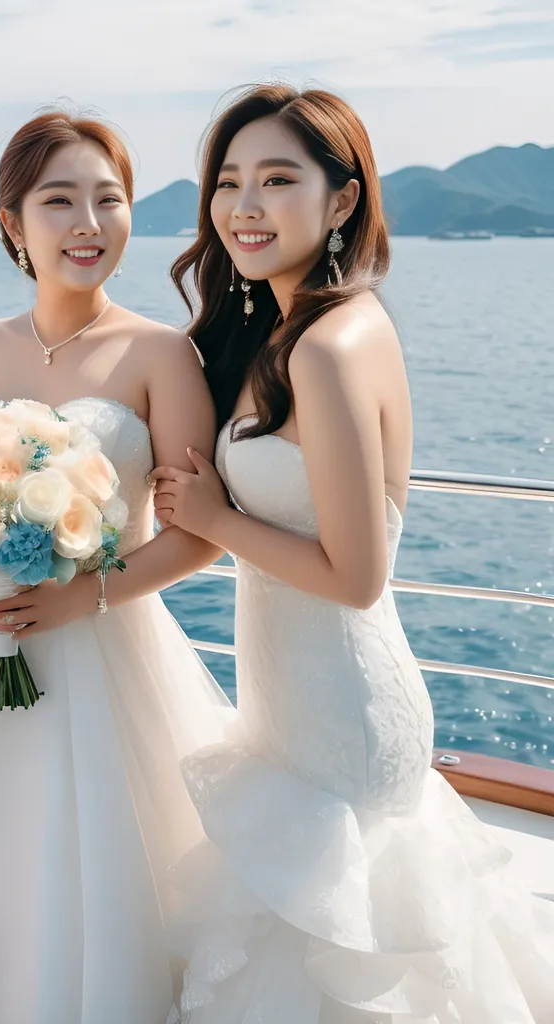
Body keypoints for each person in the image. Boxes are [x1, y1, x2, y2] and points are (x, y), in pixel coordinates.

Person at [153, 83, 554, 1022]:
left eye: (278, 179)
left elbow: (357, 576)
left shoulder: (328, 347)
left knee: (342, 969)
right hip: (295, 709)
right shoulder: (283, 330)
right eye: (229, 182)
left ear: (342, 201)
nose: (245, 206)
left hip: (343, 716)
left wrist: (214, 520)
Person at [0, 111, 235, 1024]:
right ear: (11, 220)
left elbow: (201, 534)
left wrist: (92, 597)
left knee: (97, 865)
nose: (88, 222)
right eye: (59, 200)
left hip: (105, 649)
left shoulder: (161, 353)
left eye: (109, 200)